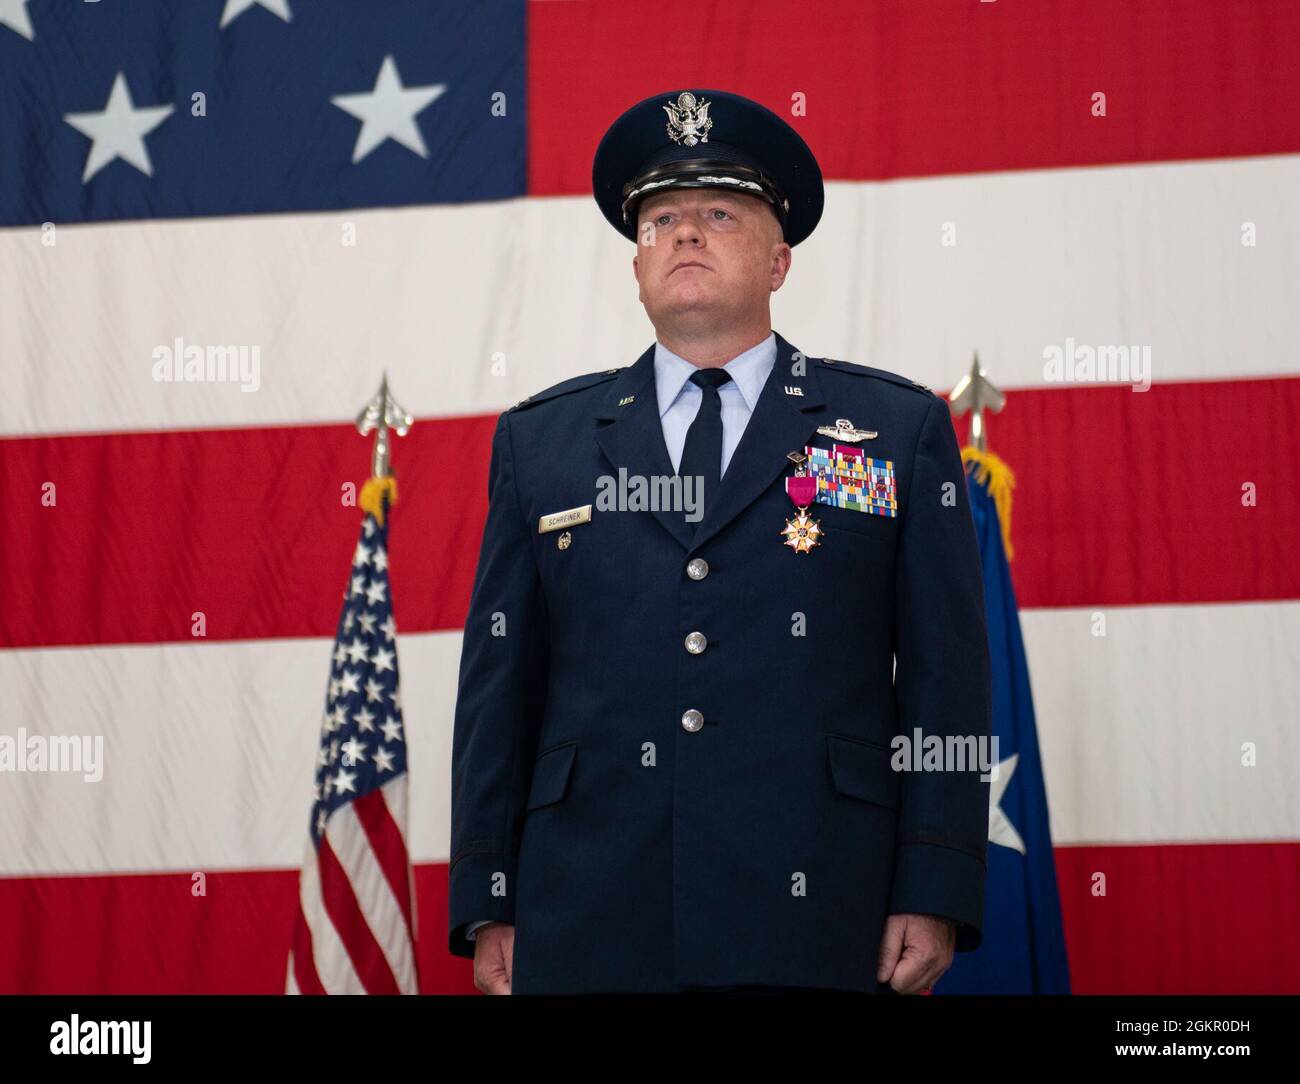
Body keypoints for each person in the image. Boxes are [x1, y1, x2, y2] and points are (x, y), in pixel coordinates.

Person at [448, 88, 991, 995]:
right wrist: (486, 894)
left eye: (718, 213)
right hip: (587, 900)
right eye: (660, 219)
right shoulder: (539, 441)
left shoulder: (895, 430)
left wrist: (935, 883)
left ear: (778, 261)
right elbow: (498, 692)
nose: (684, 234)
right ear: (636, 265)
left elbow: (948, 680)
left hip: (821, 900)